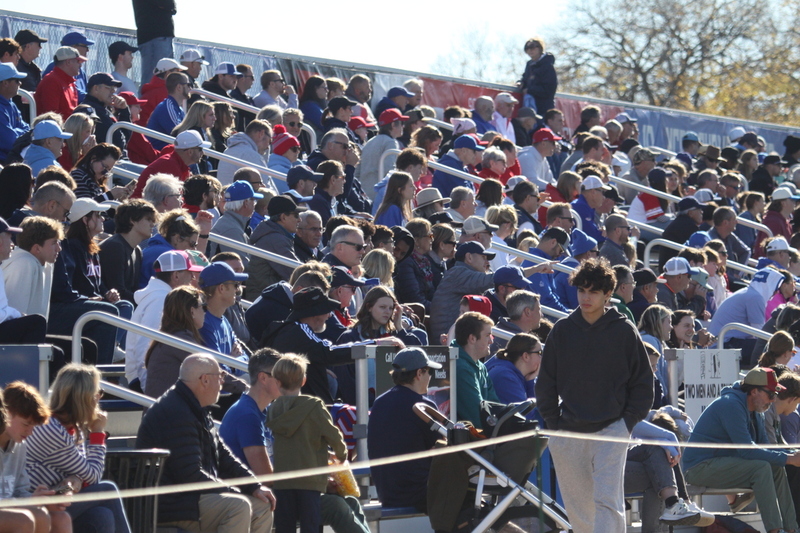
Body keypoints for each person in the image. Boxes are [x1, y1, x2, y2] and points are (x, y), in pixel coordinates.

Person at [536, 258, 653, 533]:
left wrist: (626, 423)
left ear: (607, 294)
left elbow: (643, 383)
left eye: (593, 291)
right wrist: (555, 426)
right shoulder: (562, 330)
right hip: (568, 432)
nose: (586, 297)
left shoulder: (624, 330)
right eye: (581, 290)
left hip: (611, 429)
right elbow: (546, 383)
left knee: (607, 503)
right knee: (579, 510)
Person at [137, 354, 275, 531]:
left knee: (263, 507)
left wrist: (254, 486)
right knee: (237, 507)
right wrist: (234, 491)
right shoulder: (175, 412)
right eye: (221, 376)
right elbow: (190, 474)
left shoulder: (196, 408)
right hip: (171, 504)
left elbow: (225, 458)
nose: (222, 383)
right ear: (205, 380)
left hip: (191, 498)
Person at [684, 367, 800, 533]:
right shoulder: (730, 405)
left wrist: (791, 456)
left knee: (776, 468)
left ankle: (791, 529)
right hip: (698, 468)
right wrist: (790, 459)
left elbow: (765, 448)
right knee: (761, 468)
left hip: (721, 464)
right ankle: (775, 530)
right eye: (771, 394)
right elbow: (747, 451)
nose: (773, 400)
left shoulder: (757, 409)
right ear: (754, 391)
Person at [25, 364, 132, 533]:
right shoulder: (51, 429)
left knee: (101, 516)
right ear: (85, 398)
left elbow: (84, 476)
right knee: (107, 489)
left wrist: (77, 478)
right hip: (35, 504)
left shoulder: (72, 427)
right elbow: (94, 475)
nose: (99, 399)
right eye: (98, 393)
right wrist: (97, 433)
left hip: (58, 500)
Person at [265, 353, 347, 533]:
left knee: (284, 527)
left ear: (277, 382)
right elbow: (334, 436)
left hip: (282, 481)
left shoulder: (273, 409)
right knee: (310, 526)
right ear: (304, 381)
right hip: (311, 482)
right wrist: (342, 456)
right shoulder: (314, 406)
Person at [367, 347, 441, 510]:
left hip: (386, 493)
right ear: (419, 373)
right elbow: (444, 447)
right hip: (419, 496)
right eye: (429, 372)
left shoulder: (379, 403)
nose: (430, 377)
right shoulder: (424, 407)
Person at [260, 287, 356, 404]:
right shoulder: (300, 330)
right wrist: (374, 345)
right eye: (327, 310)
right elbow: (329, 352)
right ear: (315, 313)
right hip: (303, 408)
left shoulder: (285, 330)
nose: (329, 316)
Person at [0, 381, 72, 533]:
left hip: (10, 508)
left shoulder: (19, 446)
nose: (30, 432)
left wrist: (38, 498)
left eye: (34, 427)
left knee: (60, 518)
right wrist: (27, 502)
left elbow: (20, 489)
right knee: (25, 520)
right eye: (26, 424)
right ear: (6, 414)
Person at [709, 268, 785, 367]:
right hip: (725, 344)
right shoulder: (755, 297)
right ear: (768, 285)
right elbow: (759, 333)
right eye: (775, 288)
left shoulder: (749, 292)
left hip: (722, 342)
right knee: (774, 349)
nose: (775, 293)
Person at [452, 312, 500, 428]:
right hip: (468, 442)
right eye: (488, 335)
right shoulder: (460, 368)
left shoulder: (480, 366)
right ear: (472, 338)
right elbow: (478, 417)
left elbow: (495, 407)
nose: (491, 341)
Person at [34, 47, 85, 121]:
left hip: (67, 129)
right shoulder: (51, 81)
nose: (80, 65)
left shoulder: (70, 82)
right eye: (78, 61)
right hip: (55, 130)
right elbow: (50, 117)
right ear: (68, 62)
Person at [517, 37, 557, 113]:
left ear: (540, 48)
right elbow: (525, 78)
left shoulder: (547, 65)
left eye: (532, 47)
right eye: (527, 48)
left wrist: (529, 90)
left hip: (543, 108)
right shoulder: (529, 64)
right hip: (529, 105)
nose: (529, 50)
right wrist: (521, 83)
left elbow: (549, 89)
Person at [0, 62, 29, 164]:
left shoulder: (10, 103)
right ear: (5, 83)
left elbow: (27, 130)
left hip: (11, 160)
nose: (20, 83)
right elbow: (10, 142)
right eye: (17, 80)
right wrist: (21, 132)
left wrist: (15, 131)